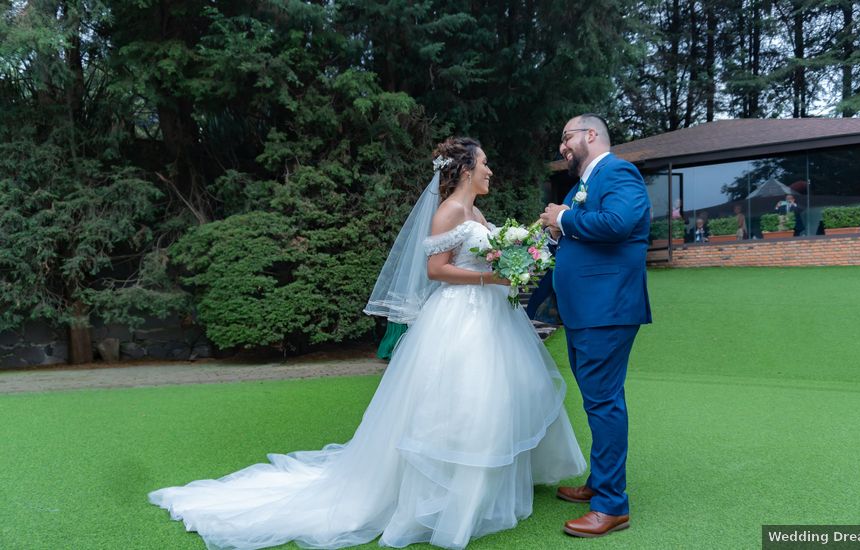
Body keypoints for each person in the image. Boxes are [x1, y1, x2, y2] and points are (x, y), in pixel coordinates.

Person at [149, 137, 586, 550]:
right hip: (459, 317)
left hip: (491, 315)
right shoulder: (449, 211)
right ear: (467, 169)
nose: (491, 169)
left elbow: (488, 255)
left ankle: (483, 489)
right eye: (485, 162)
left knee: (491, 400)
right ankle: (447, 495)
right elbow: (435, 270)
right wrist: (492, 276)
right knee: (461, 402)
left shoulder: (477, 216)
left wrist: (521, 253)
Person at [539, 114, 652, 539]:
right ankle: (600, 483)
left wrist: (564, 218)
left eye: (566, 137)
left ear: (591, 135)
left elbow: (618, 224)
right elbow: (572, 234)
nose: (562, 147)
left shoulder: (619, 172)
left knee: (604, 403)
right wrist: (553, 230)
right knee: (596, 401)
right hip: (585, 311)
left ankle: (612, 505)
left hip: (607, 309)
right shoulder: (579, 184)